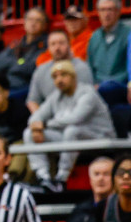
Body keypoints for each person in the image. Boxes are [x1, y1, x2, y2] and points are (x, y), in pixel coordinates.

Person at [24, 60, 116, 192]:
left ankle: (62, 179)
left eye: (63, 75)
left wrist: (43, 125)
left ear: (73, 77)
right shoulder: (55, 96)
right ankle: (44, 178)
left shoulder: (87, 92)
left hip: (100, 135)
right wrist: (35, 126)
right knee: (29, 133)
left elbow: (75, 118)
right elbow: (37, 115)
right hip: (72, 138)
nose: (59, 80)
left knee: (72, 130)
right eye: (55, 77)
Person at [27, 29, 95, 111]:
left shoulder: (81, 68)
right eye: (53, 44)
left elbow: (87, 100)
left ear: (69, 45)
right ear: (48, 48)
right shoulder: (41, 70)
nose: (57, 47)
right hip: (48, 118)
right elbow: (32, 101)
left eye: (61, 43)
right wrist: (38, 119)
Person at [87, 0, 131, 107]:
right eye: (102, 10)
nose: (106, 14)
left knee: (108, 87)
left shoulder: (128, 32)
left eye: (110, 9)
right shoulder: (94, 36)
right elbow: (90, 67)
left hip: (121, 86)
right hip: (98, 87)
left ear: (118, 12)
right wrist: (94, 84)